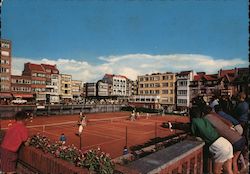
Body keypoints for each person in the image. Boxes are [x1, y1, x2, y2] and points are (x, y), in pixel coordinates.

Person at [203, 105, 245, 174]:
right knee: (233, 162)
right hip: (239, 138)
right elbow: (229, 124)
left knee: (229, 164)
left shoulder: (207, 118)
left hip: (234, 142)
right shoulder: (216, 116)